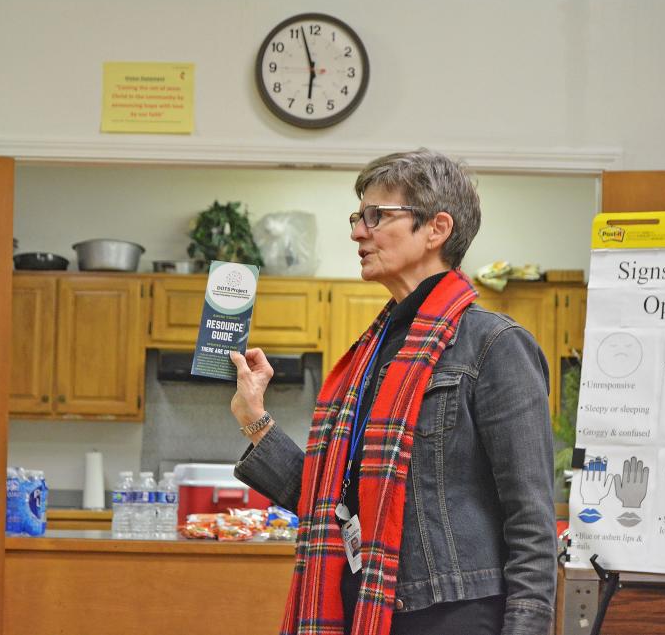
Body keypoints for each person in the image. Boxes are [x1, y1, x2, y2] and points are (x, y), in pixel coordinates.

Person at [230, 149, 556, 635]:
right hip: (366, 611)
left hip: (452, 619)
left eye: (376, 216)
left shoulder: (494, 346)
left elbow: (531, 525)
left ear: (436, 229)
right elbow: (334, 505)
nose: (358, 231)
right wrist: (254, 418)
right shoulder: (373, 351)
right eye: (359, 216)